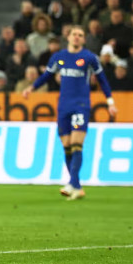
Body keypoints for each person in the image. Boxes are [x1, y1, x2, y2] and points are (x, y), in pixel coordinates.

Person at [23, 26, 117, 200]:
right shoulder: (58, 58)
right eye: (74, 34)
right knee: (66, 146)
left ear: (83, 40)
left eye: (80, 35)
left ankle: (71, 183)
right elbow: (46, 76)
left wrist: (110, 102)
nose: (77, 37)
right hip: (63, 106)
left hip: (81, 105)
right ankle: (77, 186)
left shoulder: (89, 58)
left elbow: (102, 80)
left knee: (76, 143)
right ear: (68, 37)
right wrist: (31, 88)